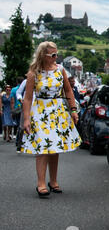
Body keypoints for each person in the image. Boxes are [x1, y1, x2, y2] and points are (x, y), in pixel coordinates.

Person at [21, 41, 81, 198]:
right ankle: (41, 183)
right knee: (42, 147)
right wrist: (26, 119)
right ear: (43, 55)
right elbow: (27, 98)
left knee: (55, 148)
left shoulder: (60, 70)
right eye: (52, 55)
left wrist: (73, 110)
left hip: (58, 111)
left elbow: (68, 90)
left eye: (56, 54)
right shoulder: (34, 73)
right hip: (40, 110)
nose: (56, 57)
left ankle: (53, 181)